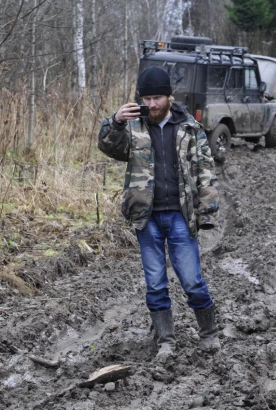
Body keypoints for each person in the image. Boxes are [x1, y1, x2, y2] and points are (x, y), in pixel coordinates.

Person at [97, 66, 221, 358]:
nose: (152, 104)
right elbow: (108, 147)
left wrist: (207, 212)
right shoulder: (132, 128)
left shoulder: (189, 127)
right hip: (146, 217)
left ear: (169, 96)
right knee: (155, 283)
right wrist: (114, 121)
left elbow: (205, 170)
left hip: (180, 215)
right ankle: (166, 340)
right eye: (147, 98)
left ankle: (210, 334)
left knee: (191, 280)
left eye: (157, 98)